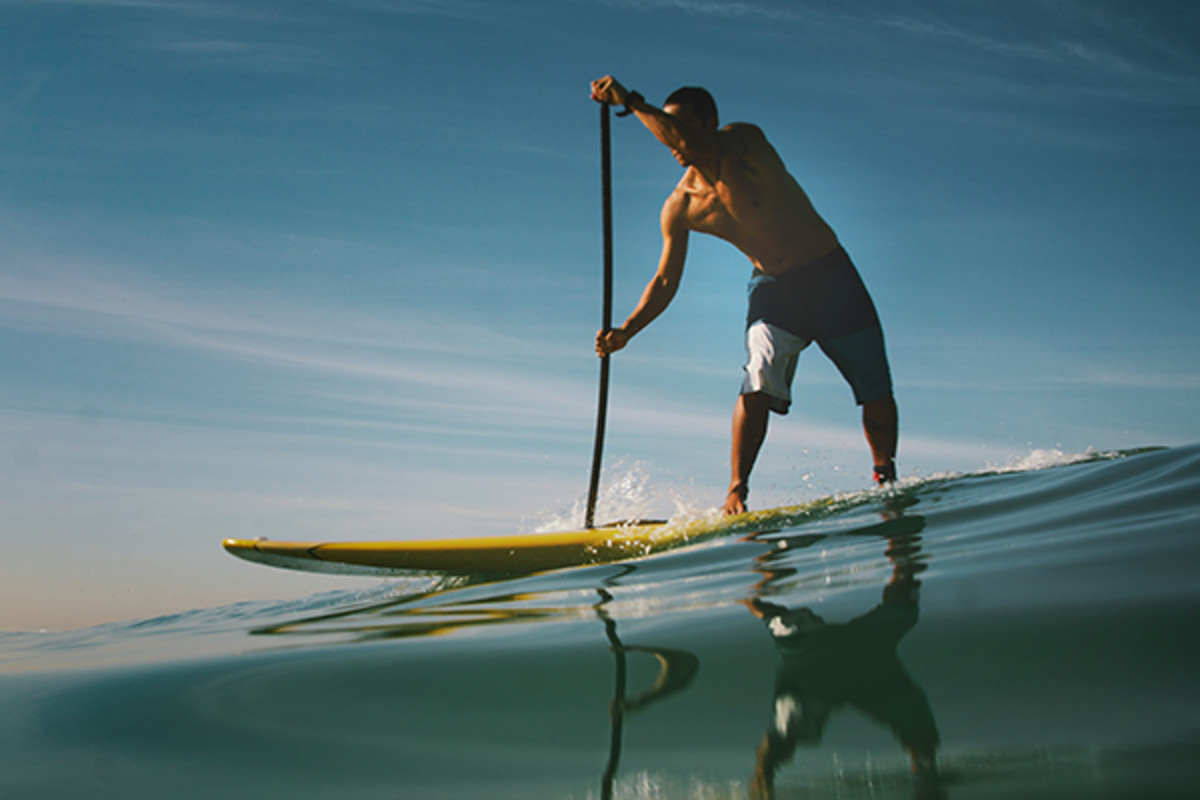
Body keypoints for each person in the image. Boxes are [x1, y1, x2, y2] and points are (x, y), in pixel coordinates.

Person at [589, 76, 899, 516]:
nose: (672, 142)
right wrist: (626, 331)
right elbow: (663, 282)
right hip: (775, 289)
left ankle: (885, 475)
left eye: (679, 128)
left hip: (832, 276)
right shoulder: (680, 205)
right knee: (758, 376)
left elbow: (686, 139)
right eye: (666, 127)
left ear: (709, 124)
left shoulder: (745, 144)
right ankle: (737, 491)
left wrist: (633, 103)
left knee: (875, 391)